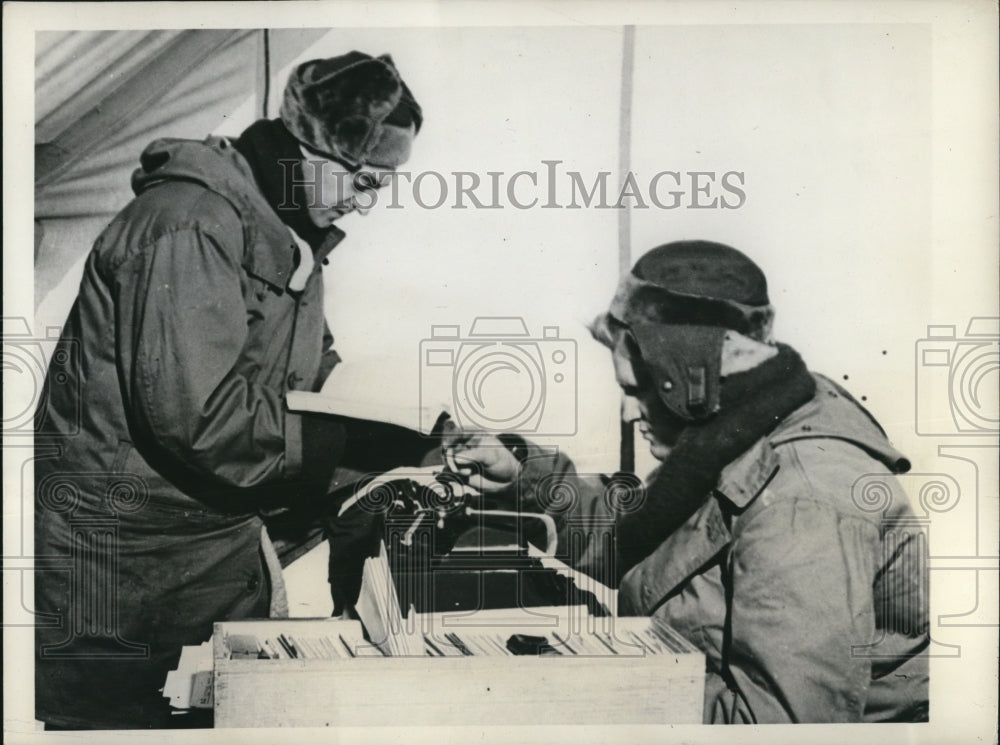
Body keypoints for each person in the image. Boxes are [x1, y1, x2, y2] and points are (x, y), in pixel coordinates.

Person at [34, 51, 424, 729]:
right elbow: (197, 418)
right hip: (127, 567)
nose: (368, 203)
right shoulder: (190, 224)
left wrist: (394, 419)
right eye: (364, 179)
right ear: (306, 148)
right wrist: (347, 442)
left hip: (207, 550)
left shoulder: (286, 232)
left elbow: (303, 362)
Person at [444, 240, 930, 723]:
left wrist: (588, 686)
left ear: (691, 378)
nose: (628, 411)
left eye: (638, 391)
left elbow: (778, 725)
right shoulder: (731, 433)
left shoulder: (803, 504)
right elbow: (647, 533)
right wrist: (523, 473)